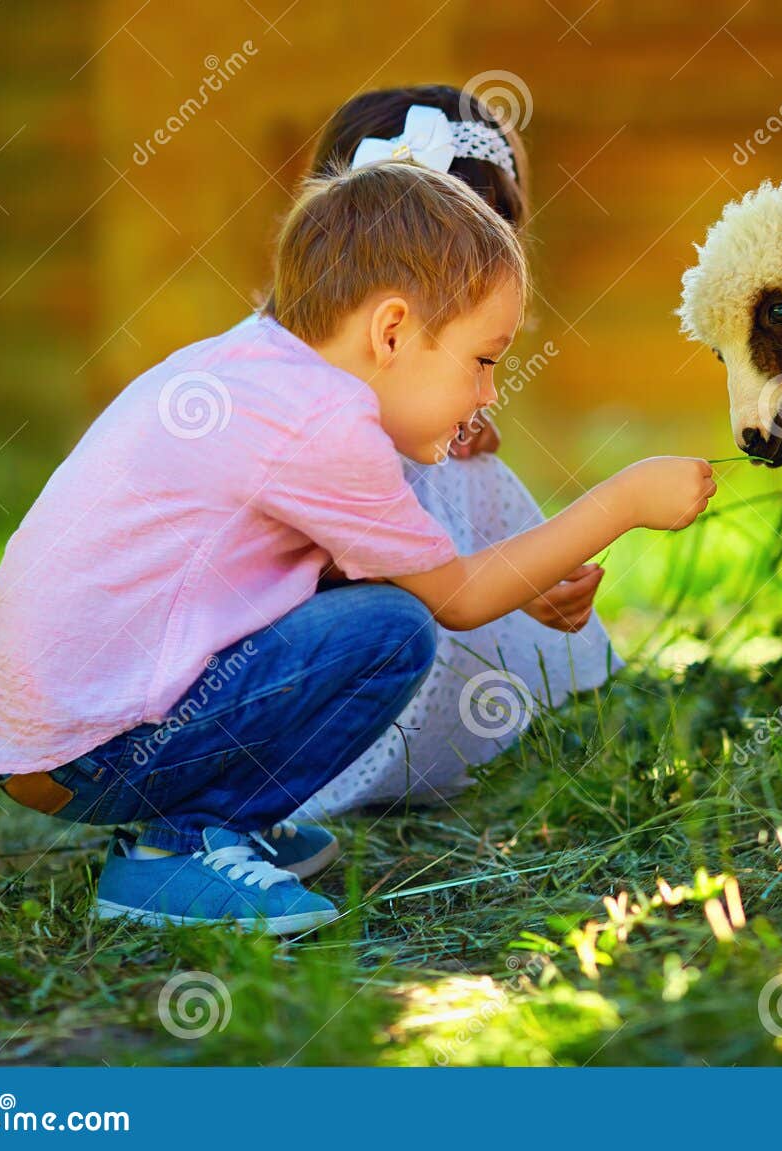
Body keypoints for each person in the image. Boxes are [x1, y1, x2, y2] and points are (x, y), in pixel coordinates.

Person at [0, 160, 715, 932]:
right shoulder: (322, 424)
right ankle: (177, 848)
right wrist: (625, 499)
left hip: (59, 740)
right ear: (391, 331)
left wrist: (525, 581)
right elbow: (456, 598)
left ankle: (214, 820)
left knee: (377, 608)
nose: (490, 393)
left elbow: (374, 567)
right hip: (94, 749)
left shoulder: (262, 370)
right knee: (392, 632)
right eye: (483, 361)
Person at [286, 85, 624, 817]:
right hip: (278, 683)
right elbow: (331, 564)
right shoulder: (295, 405)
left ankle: (484, 720)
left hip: (385, 621)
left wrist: (446, 430)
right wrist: (528, 572)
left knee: (465, 470)